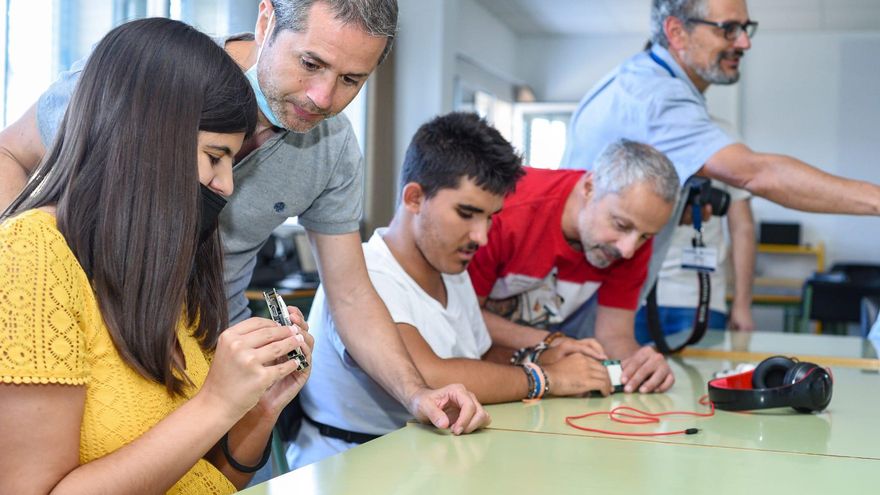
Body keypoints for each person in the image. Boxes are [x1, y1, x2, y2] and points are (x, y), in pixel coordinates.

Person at [0, 0, 488, 438]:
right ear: (266, 19)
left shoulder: (332, 146)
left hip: (212, 359)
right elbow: (10, 153)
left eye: (351, 80)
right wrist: (22, 276)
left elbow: (352, 294)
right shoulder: (154, 77)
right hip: (96, 344)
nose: (322, 97)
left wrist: (416, 394)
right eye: (310, 64)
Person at [0, 18, 314, 494]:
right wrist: (216, 403)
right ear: (148, 142)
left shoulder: (163, 266)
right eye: (215, 157)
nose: (226, 185)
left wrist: (260, 406)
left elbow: (208, 477)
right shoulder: (32, 257)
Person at [288, 112, 614, 469]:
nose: (482, 237)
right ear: (414, 198)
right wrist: (547, 378)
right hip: (352, 465)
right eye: (466, 213)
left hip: (429, 457)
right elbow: (431, 375)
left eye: (490, 217)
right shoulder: (366, 271)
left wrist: (541, 355)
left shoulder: (451, 269)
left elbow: (479, 357)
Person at [560, 0, 880, 311]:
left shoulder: (640, 76)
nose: (743, 43)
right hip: (577, 290)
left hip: (591, 288)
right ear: (677, 32)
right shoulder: (658, 96)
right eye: (727, 29)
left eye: (744, 28)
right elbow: (757, 174)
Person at [468, 139, 681, 394]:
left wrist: (640, 365)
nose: (628, 250)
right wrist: (551, 342)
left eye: (646, 236)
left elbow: (613, 335)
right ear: (589, 188)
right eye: (621, 225)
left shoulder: (634, 234)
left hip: (536, 373)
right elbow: (466, 316)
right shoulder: (505, 210)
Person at [634, 179, 755, 344]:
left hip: (701, 298)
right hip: (634, 293)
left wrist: (742, 305)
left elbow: (742, 228)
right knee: (625, 359)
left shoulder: (727, 164)